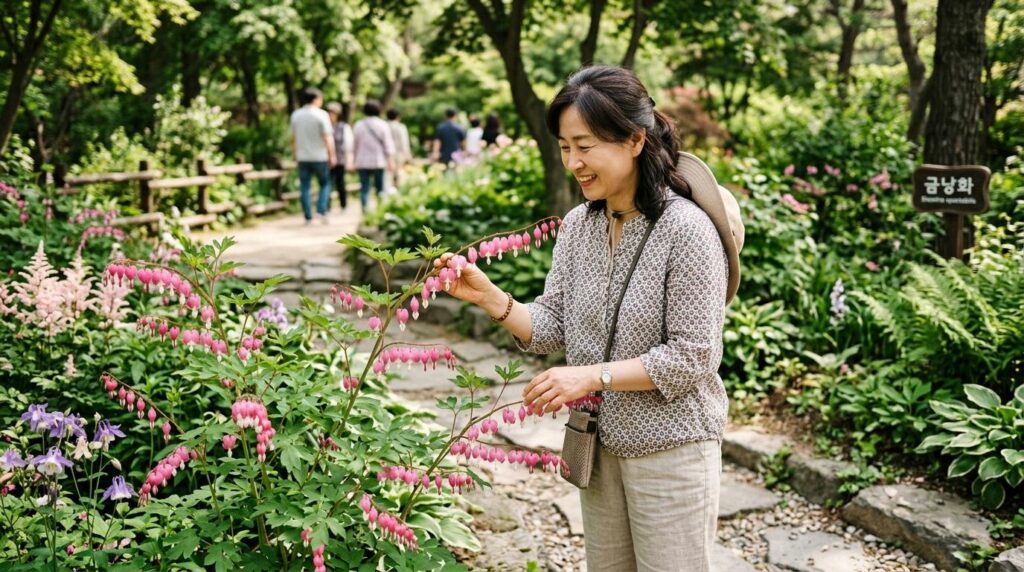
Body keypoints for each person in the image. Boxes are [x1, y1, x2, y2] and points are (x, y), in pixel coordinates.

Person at [435, 65, 744, 572]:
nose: (573, 162)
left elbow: (693, 357)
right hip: (599, 447)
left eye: (586, 145)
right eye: (564, 147)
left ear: (635, 140)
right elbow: (553, 323)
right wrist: (494, 300)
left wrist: (590, 376)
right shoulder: (580, 225)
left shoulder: (687, 230)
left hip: (672, 450)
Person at [290, 87, 336, 224]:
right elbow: (328, 137)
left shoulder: (296, 115)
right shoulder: (322, 115)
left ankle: (308, 216)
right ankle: (321, 211)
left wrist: (295, 154)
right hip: (319, 157)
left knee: (305, 186)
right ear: (316, 99)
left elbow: (293, 138)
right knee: (325, 183)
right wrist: (332, 155)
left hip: (302, 156)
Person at [352, 99, 395, 211]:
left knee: (364, 188)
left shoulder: (358, 125)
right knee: (380, 189)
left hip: (362, 162)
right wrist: (390, 161)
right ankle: (380, 211)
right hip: (378, 161)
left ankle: (365, 212)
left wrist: (353, 160)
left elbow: (354, 146)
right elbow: (388, 145)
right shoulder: (382, 125)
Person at [326, 101, 354, 211]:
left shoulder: (343, 127)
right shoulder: (324, 125)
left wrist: (349, 159)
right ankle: (326, 206)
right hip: (326, 160)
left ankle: (343, 204)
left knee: (340, 183)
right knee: (327, 182)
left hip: (340, 159)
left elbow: (348, 144)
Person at [386, 108, 412, 192]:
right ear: (397, 117)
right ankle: (399, 190)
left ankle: (389, 190)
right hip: (399, 153)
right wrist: (407, 154)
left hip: (387, 154)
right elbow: (404, 142)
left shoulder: (384, 125)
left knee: (388, 174)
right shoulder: (401, 127)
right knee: (399, 172)